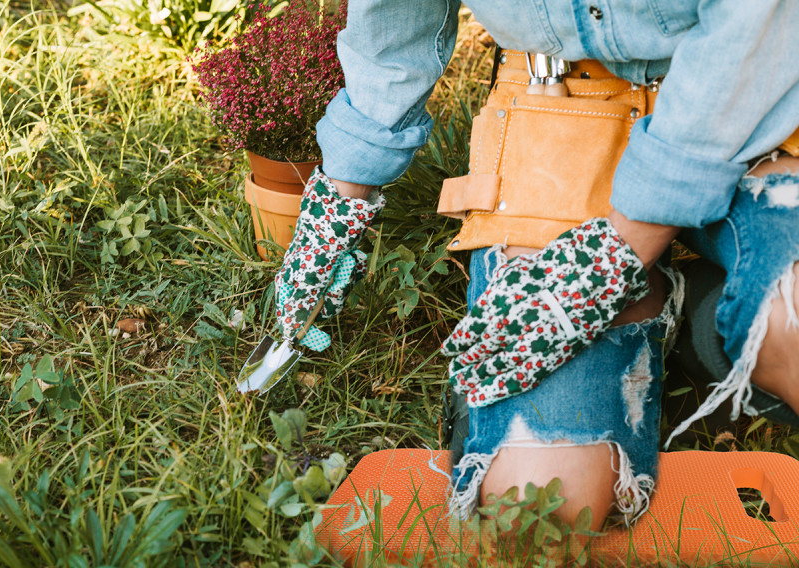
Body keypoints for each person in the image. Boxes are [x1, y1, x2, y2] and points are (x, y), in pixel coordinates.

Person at [274, 1, 799, 531]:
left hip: (759, 99)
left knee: (794, 327)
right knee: (539, 507)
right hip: (564, 105)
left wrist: (623, 248)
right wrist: (342, 197)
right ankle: (703, 313)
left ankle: (731, 325)